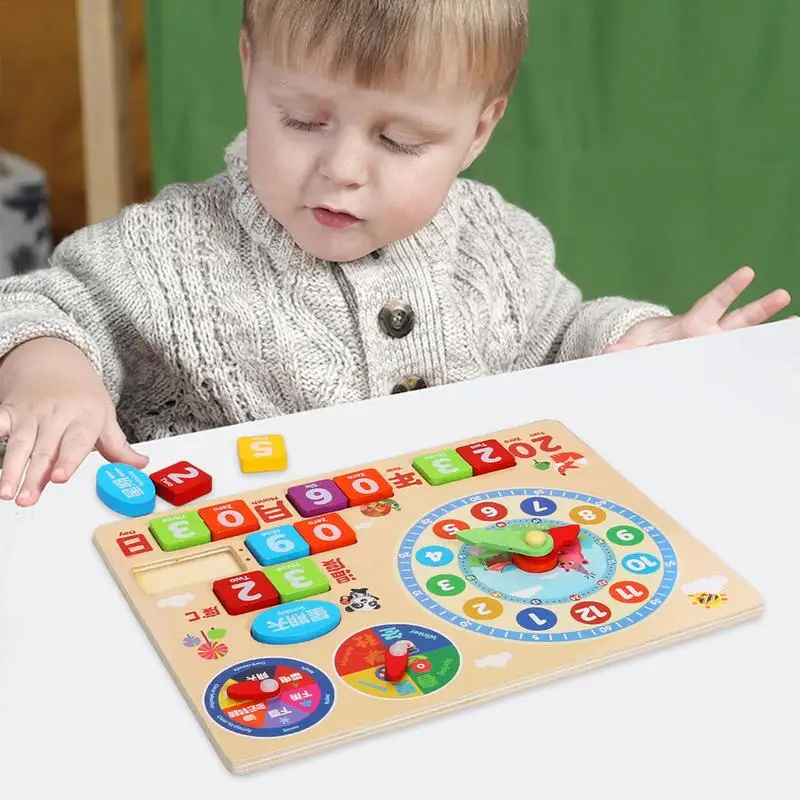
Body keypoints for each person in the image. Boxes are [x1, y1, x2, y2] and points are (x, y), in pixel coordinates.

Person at [0, 0, 790, 508]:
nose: (343, 169)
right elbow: (42, 303)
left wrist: (638, 340)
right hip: (248, 596)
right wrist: (49, 372)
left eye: (399, 140)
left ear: (480, 130)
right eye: (303, 119)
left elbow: (560, 335)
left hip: (451, 568)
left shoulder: (498, 246)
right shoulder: (171, 254)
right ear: (250, 69)